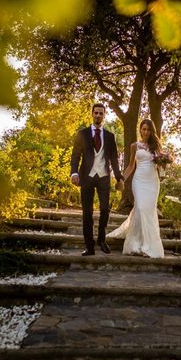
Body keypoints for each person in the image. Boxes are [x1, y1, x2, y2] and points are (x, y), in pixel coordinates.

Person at [107, 119, 167, 258]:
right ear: (140, 130)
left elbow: (160, 167)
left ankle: (148, 246)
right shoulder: (135, 146)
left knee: (148, 211)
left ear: (152, 131)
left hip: (153, 182)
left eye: (148, 130)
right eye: (143, 129)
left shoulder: (156, 147)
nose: (145, 132)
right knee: (140, 207)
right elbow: (130, 166)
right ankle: (135, 244)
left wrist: (164, 162)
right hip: (139, 181)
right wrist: (122, 179)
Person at [70, 103, 124, 256]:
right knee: (87, 212)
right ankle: (89, 246)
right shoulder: (82, 134)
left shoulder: (109, 136)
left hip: (104, 177)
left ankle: (102, 239)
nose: (98, 115)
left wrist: (118, 177)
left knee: (105, 209)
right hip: (86, 176)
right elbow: (75, 155)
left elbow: (114, 158)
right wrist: (74, 173)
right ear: (92, 114)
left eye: (101, 113)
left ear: (104, 115)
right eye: (96, 113)